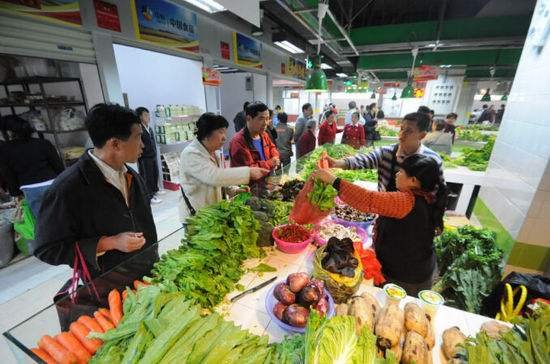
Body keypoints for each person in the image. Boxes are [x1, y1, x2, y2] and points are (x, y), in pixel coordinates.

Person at [34, 103, 159, 279]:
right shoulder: (67, 188)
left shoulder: (132, 176)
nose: (143, 145)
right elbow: (47, 249)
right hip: (108, 284)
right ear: (115, 144)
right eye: (138, 137)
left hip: (147, 273)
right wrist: (109, 243)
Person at [312, 154, 448, 296]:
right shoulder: (431, 196)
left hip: (404, 277)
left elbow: (368, 199)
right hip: (420, 268)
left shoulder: (407, 201)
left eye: (401, 172)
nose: (397, 174)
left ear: (413, 180)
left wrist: (333, 180)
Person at [179, 113, 269, 221]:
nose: (224, 137)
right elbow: (214, 177)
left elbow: (220, 180)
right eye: (221, 132)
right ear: (207, 133)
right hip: (197, 216)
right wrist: (248, 172)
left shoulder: (214, 153)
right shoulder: (191, 154)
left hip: (214, 214)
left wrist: (234, 190)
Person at [327, 112, 444, 193]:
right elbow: (363, 160)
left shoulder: (432, 160)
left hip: (414, 218)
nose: (402, 134)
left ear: (422, 135)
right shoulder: (387, 152)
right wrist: (337, 163)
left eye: (409, 131)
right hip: (384, 211)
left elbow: (437, 192)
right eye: (402, 129)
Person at [0, 115, 64, 219]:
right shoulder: (43, 143)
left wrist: (16, 193)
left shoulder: (5, 150)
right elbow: (59, 167)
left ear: (8, 133)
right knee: (62, 217)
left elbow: (8, 174)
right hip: (52, 184)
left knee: (43, 221)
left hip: (31, 189)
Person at [230, 101, 280, 172]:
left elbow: (272, 148)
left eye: (267, 119)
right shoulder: (238, 142)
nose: (265, 123)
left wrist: (275, 157)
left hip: (266, 180)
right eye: (261, 119)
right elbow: (249, 170)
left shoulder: (264, 134)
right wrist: (270, 164)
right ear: (248, 119)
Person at [135, 107, 161, 204]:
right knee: (147, 177)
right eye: (146, 115)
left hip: (152, 155)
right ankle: (149, 196)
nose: (148, 117)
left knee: (154, 174)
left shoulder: (149, 128)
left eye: (148, 115)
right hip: (145, 158)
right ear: (140, 117)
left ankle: (154, 192)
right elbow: (140, 144)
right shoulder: (139, 129)